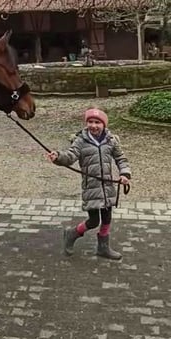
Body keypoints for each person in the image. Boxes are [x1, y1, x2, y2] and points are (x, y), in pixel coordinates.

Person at [46, 107, 131, 259]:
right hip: (91, 188)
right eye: (90, 122)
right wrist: (58, 157)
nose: (93, 125)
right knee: (93, 221)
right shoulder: (80, 141)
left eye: (97, 122)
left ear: (104, 124)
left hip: (107, 188)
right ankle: (72, 233)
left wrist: (124, 174)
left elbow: (121, 158)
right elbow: (70, 156)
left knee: (107, 218)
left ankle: (103, 248)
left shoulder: (111, 140)